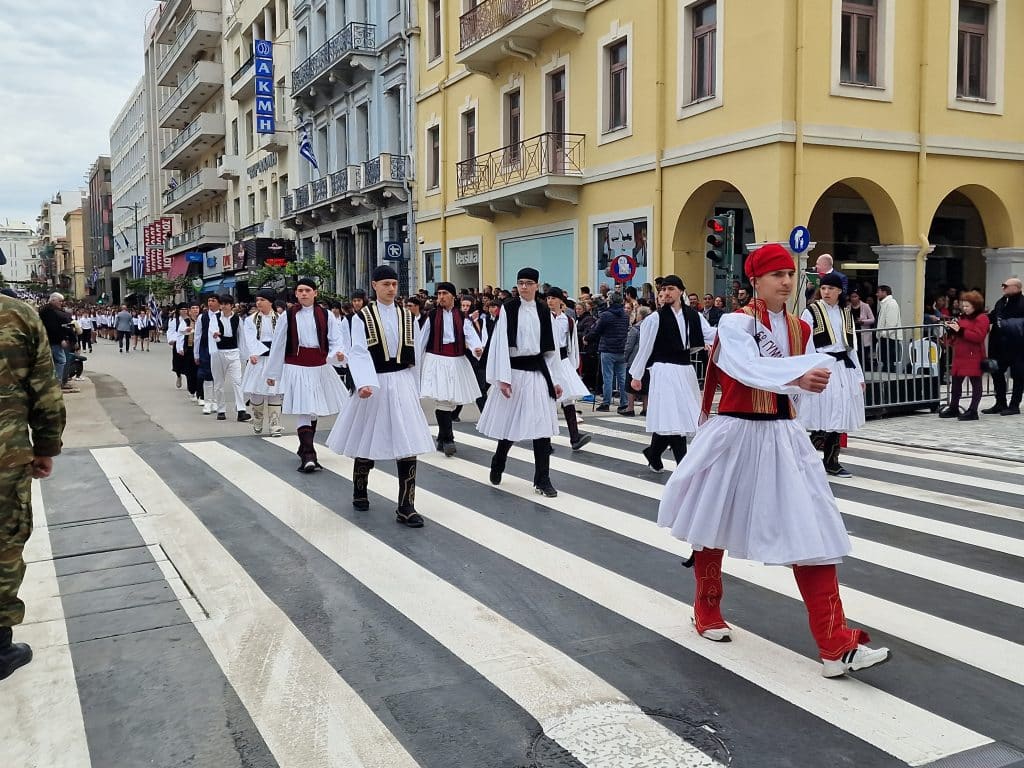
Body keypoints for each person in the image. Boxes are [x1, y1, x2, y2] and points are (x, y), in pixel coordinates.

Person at [657, 244, 889, 677]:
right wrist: (796, 376)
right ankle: (706, 607)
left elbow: (811, 376)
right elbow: (744, 367)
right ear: (756, 281)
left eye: (790, 274)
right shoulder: (737, 322)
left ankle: (834, 643)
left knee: (814, 529)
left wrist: (824, 385)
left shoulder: (803, 327)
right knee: (713, 520)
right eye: (776, 274)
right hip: (736, 430)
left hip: (782, 434)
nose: (786, 281)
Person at [326, 265, 434, 527]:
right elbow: (359, 351)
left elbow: (416, 354)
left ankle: (406, 505)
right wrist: (363, 382)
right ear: (374, 286)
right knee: (368, 435)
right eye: (385, 284)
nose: (390, 289)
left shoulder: (407, 316)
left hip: (402, 381)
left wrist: (416, 386)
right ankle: (360, 486)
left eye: (394, 284)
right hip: (374, 381)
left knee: (407, 441)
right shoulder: (362, 317)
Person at [0, 292, 66, 681]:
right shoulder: (19, 315)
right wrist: (45, 447)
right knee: (4, 542)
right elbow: (44, 390)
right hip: (5, 456)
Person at [478, 267, 564, 498]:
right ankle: (499, 459)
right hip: (514, 372)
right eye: (520, 283)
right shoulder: (509, 308)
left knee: (542, 428)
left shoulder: (545, 311)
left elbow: (552, 349)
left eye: (528, 283)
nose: (524, 287)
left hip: (537, 372)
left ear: (537, 285)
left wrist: (555, 379)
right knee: (510, 425)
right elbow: (499, 344)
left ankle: (542, 479)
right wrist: (503, 379)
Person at [628, 275, 716, 472]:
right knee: (673, 417)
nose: (666, 293)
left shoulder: (694, 316)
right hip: (664, 369)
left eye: (670, 289)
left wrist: (736, 331)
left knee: (680, 416)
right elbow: (645, 348)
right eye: (663, 290)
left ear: (680, 291)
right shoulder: (655, 319)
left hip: (685, 370)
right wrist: (636, 375)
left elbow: (710, 333)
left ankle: (653, 453)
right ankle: (683, 467)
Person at [265, 278, 350, 472]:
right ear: (295, 294)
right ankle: (309, 455)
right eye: (300, 290)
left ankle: (304, 448)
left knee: (313, 409)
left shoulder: (325, 315)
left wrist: (337, 354)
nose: (303, 293)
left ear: (315, 293)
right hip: (297, 366)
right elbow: (278, 344)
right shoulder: (288, 315)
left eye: (307, 290)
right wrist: (272, 372)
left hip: (319, 365)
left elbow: (335, 339)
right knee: (305, 408)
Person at [798, 273, 866, 478]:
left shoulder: (846, 313)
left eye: (831, 289)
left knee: (839, 413)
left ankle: (831, 461)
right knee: (819, 413)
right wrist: (809, 367)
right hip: (821, 364)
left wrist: (859, 375)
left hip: (842, 368)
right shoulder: (811, 311)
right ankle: (804, 457)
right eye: (824, 288)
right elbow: (807, 343)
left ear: (839, 291)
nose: (826, 292)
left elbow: (851, 346)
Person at [416, 281, 483, 457]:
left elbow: (470, 334)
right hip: (436, 359)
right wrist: (414, 361)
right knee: (443, 399)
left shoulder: (462, 317)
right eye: (439, 294)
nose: (441, 297)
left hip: (457, 360)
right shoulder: (431, 316)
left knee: (452, 400)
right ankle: (448, 439)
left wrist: (477, 348)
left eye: (444, 293)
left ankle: (441, 436)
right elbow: (421, 340)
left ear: (453, 296)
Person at [546, 287, 592, 451]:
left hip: (563, 361)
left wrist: (573, 365)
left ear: (561, 301)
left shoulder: (568, 320)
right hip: (548, 361)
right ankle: (545, 441)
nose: (550, 301)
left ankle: (575, 436)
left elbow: (572, 344)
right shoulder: (544, 318)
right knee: (548, 401)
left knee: (568, 399)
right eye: (548, 298)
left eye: (553, 298)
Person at [939, 291, 990, 421]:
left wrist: (959, 330)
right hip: (960, 354)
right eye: (964, 306)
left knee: (975, 382)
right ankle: (953, 406)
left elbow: (978, 337)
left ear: (975, 306)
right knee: (956, 382)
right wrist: (950, 332)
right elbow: (957, 336)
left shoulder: (982, 318)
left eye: (968, 306)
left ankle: (973, 410)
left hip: (973, 355)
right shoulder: (963, 318)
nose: (965, 308)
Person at [243, 290, 284, 436]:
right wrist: (253, 353)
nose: (258, 302)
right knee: (256, 390)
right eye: (257, 300)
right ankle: (258, 418)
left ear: (270, 302)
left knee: (275, 391)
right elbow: (249, 338)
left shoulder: (281, 318)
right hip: (259, 358)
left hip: (275, 358)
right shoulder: (251, 320)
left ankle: (275, 424)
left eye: (262, 300)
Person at [983, 276, 1024, 416]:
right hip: (998, 345)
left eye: (1006, 285)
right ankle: (1000, 402)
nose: (1003, 287)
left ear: (1017, 288)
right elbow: (994, 316)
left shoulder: (1022, 303)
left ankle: (1014, 405)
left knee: (1018, 376)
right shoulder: (1001, 301)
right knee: (996, 372)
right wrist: (980, 319)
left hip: (1017, 346)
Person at [210, 295, 251, 422]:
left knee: (237, 381)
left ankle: (241, 410)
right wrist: (215, 335)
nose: (223, 306)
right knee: (218, 383)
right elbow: (212, 331)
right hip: (219, 352)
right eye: (222, 304)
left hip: (233, 352)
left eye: (226, 304)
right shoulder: (215, 318)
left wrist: (245, 355)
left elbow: (242, 337)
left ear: (231, 305)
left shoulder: (237, 319)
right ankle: (221, 409)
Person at [588, 292, 629, 411]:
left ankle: (606, 403)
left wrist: (587, 338)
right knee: (622, 377)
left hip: (607, 349)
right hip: (621, 349)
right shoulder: (625, 316)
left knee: (608, 377)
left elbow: (597, 330)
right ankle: (624, 402)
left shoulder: (606, 315)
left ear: (610, 302)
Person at [620, 305, 652, 417]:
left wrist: (625, 357)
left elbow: (629, 345)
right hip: (649, 360)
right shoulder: (652, 328)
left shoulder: (635, 328)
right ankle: (645, 408)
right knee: (646, 384)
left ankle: (630, 407)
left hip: (635, 359)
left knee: (630, 384)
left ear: (641, 315)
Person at [37, 292, 72, 387]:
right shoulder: (48, 311)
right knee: (61, 360)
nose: (61, 303)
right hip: (52, 340)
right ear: (53, 300)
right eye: (59, 301)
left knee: (53, 361)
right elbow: (53, 327)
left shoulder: (47, 309)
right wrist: (61, 339)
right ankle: (57, 382)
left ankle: (54, 381)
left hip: (49, 340)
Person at [175, 302, 203, 405]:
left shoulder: (203, 320)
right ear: (189, 311)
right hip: (189, 349)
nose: (195, 310)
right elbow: (180, 335)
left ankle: (201, 393)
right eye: (193, 308)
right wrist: (180, 348)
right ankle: (192, 391)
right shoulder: (186, 321)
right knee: (190, 372)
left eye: (197, 307)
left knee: (200, 372)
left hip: (201, 349)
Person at [875, 285, 903, 372]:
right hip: (886, 338)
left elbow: (891, 324)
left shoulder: (891, 304)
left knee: (889, 363)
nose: (877, 294)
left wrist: (882, 334)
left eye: (878, 292)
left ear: (884, 292)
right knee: (886, 362)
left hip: (889, 339)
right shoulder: (886, 304)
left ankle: (890, 384)